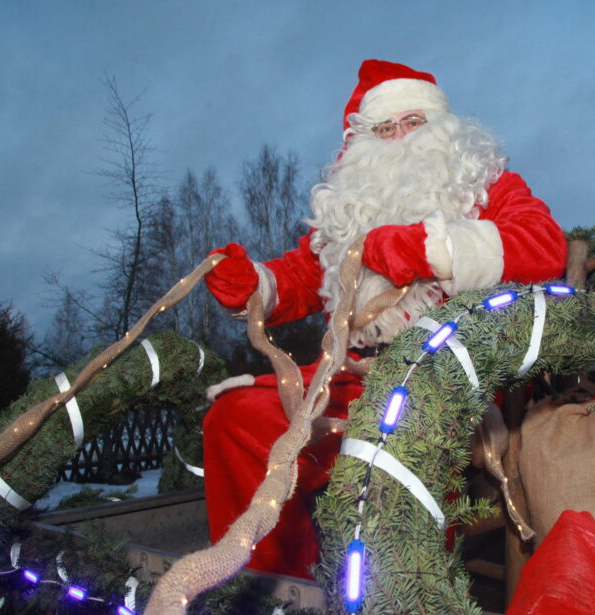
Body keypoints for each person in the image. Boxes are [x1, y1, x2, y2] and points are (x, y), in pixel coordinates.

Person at [201, 59, 568, 578]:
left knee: (396, 437)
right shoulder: (352, 213)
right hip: (350, 380)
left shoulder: (485, 186)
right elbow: (303, 277)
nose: (399, 140)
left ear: (443, 127)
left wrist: (427, 249)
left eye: (412, 123)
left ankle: (401, 611)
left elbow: (544, 247)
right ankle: (275, 596)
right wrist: (254, 285)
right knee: (235, 419)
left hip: (447, 376)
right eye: (384, 129)